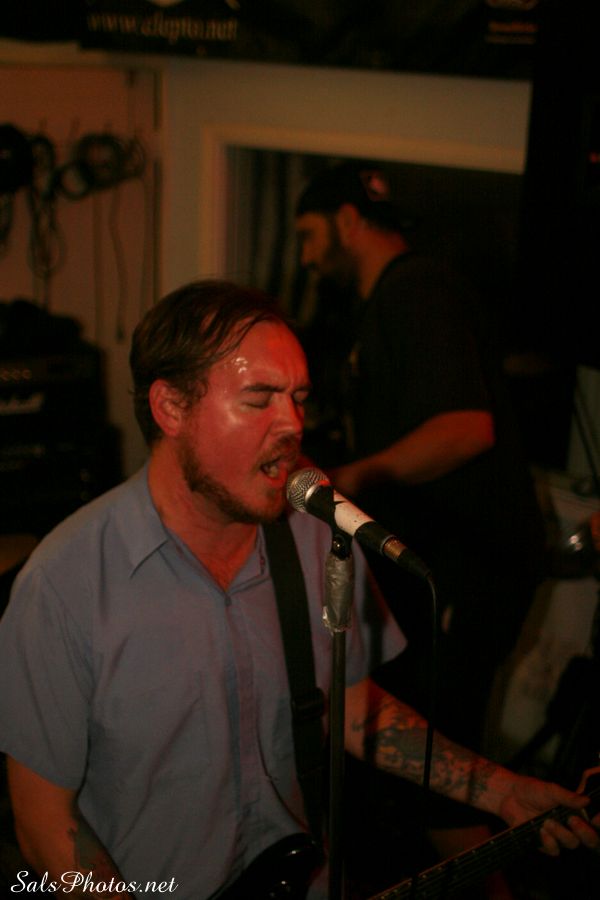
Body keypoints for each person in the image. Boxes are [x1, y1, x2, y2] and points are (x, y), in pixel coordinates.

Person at [0, 280, 597, 900]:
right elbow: (44, 826)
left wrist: (504, 791)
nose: (291, 424)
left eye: (299, 398)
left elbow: (351, 706)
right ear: (171, 408)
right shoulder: (64, 586)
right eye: (259, 399)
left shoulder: (313, 533)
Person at [295, 162, 549, 882]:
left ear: (348, 221)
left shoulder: (415, 290)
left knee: (436, 777)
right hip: (450, 566)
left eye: (309, 235)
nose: (305, 256)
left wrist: (351, 479)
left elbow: (466, 429)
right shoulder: (391, 301)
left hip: (469, 569)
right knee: (410, 770)